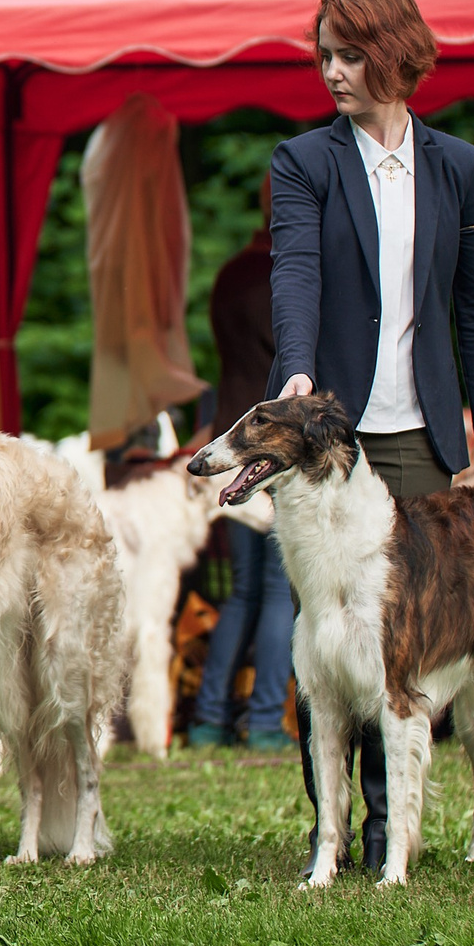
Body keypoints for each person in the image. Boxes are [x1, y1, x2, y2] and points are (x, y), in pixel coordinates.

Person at [269, 0, 474, 875]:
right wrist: (297, 372)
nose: (332, 72)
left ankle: (392, 831)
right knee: (327, 638)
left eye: (349, 55)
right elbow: (295, 272)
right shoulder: (303, 161)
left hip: (420, 437)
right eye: (324, 55)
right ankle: (333, 829)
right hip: (329, 443)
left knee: (401, 641)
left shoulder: (459, 166)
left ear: (396, 56)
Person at [186, 180, 295, 751]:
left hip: (227, 438)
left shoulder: (230, 275)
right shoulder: (284, 277)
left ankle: (208, 718)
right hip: (269, 445)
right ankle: (264, 721)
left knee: (245, 590)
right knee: (277, 589)